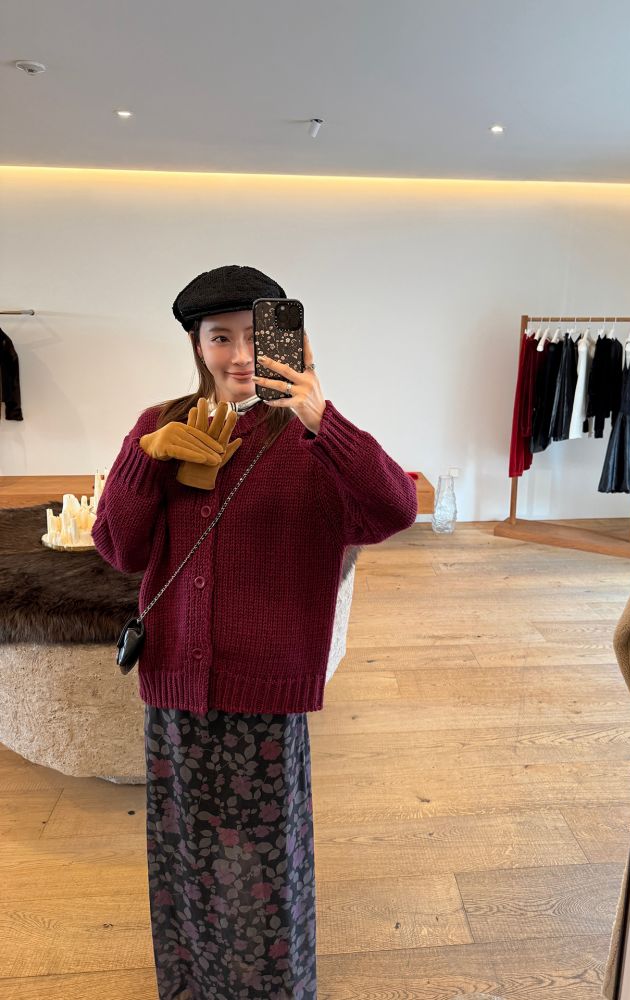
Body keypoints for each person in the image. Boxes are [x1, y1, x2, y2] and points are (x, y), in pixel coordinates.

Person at [92, 264, 418, 1000]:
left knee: (266, 861)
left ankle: (276, 988)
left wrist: (324, 420)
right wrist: (146, 460)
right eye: (220, 337)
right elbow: (118, 547)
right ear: (196, 344)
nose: (239, 354)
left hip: (265, 692)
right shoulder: (159, 424)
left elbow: (395, 510)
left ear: (288, 340)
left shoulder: (308, 435)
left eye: (255, 336)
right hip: (176, 682)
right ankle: (191, 984)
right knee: (183, 851)